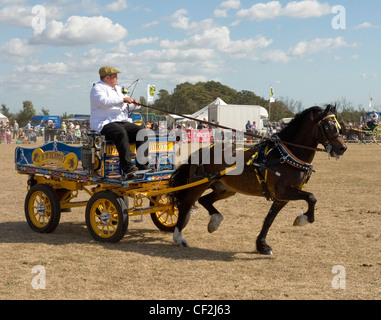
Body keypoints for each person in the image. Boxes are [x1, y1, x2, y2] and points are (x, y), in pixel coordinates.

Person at [90, 66, 149, 180]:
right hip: (105, 122)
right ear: (107, 78)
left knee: (141, 131)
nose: (117, 78)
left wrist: (136, 104)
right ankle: (127, 167)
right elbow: (104, 103)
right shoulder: (97, 88)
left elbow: (126, 106)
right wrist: (123, 99)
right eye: (115, 76)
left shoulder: (117, 88)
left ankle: (142, 165)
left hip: (121, 121)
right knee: (120, 132)